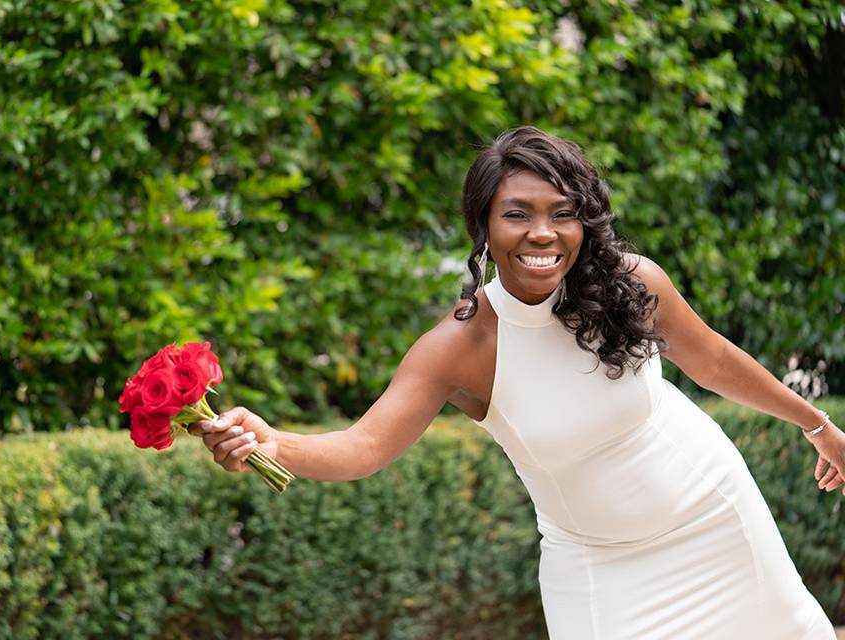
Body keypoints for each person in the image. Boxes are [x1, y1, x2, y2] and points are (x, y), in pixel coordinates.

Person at [188, 125, 843, 639]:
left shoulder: (634, 283)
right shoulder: (461, 346)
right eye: (517, 214)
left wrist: (819, 426)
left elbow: (715, 362)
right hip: (598, 570)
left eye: (562, 213)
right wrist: (276, 445)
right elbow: (365, 447)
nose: (542, 234)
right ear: (485, 228)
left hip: (715, 520)